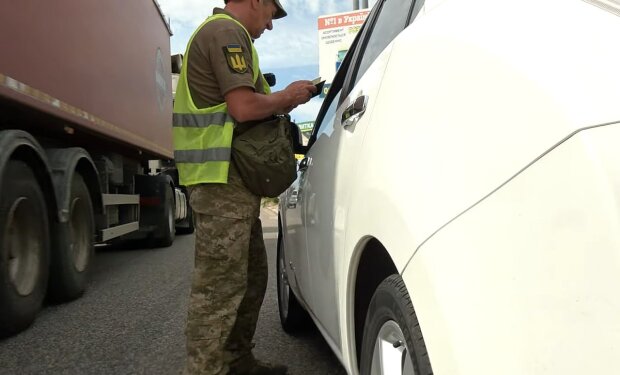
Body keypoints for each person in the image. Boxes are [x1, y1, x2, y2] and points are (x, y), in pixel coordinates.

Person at [172, 0, 316, 374]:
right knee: (218, 290)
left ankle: (236, 360)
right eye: (271, 12)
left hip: (229, 179)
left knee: (251, 277)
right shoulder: (226, 32)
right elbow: (243, 107)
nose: (270, 25)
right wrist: (290, 95)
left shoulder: (226, 34)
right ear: (255, 0)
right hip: (220, 177)